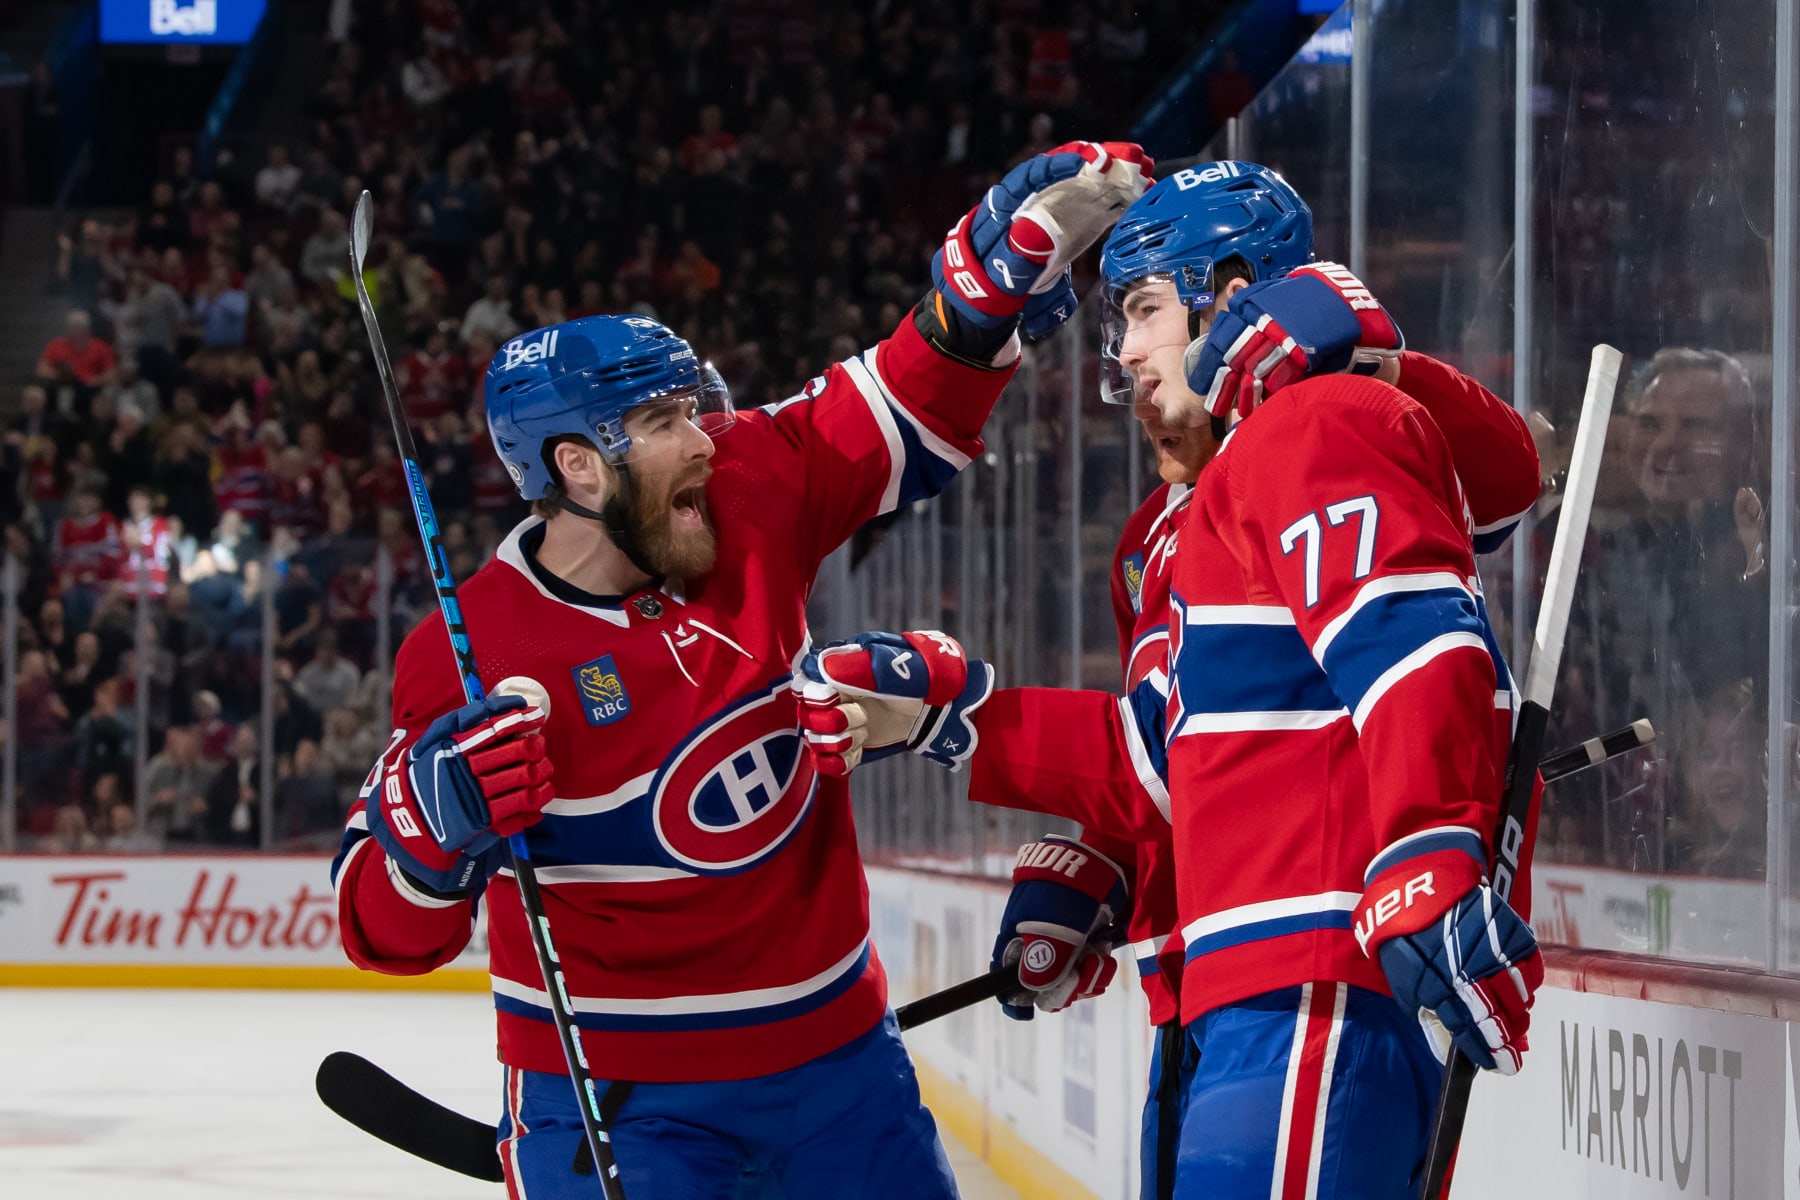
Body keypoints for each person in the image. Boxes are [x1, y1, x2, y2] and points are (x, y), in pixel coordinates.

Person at [330, 142, 1153, 1198]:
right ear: (578, 467)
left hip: (841, 1072)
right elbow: (381, 928)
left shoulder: (745, 484)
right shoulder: (477, 646)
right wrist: (428, 827)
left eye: (693, 407)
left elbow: (906, 400)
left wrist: (986, 286)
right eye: (665, 422)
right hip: (622, 1100)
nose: (706, 439)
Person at [799, 162, 1544, 1198]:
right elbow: (1169, 756)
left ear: (1233, 295)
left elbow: (1423, 633)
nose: (1129, 356)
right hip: (1215, 993)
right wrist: (1064, 831)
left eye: (1145, 309)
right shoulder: (1166, 533)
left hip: (1313, 979)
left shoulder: (1322, 420)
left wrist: (1426, 846)